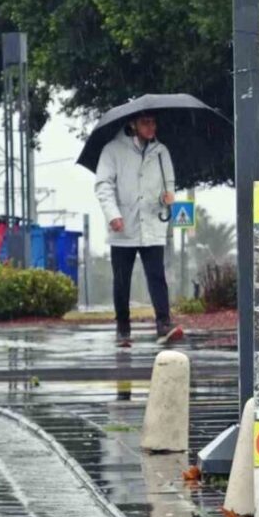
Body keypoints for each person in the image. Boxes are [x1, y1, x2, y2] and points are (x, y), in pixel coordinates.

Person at [95, 113, 184, 346]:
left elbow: (170, 182)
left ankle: (164, 323)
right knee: (122, 280)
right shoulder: (112, 150)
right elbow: (103, 185)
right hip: (123, 225)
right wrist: (113, 214)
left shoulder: (161, 151)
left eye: (154, 122)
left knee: (157, 275)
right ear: (133, 124)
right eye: (145, 122)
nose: (151, 126)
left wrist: (168, 197)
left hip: (153, 223)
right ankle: (122, 327)